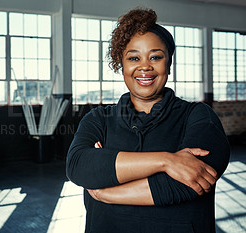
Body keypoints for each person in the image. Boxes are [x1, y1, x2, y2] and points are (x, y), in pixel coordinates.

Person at [66, 7, 230, 233]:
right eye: (134, 57)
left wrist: (106, 191)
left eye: (155, 57)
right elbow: (79, 167)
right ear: (121, 65)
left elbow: (189, 183)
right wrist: (167, 161)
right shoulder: (98, 119)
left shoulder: (199, 116)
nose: (145, 66)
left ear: (168, 64)